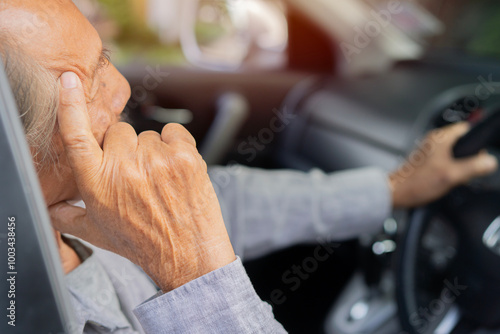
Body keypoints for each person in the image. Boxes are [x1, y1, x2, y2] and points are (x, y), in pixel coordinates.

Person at [0, 0, 497, 333]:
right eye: (84, 82)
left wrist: (394, 188)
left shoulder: (67, 205)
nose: (122, 90)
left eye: (107, 59)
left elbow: (222, 203)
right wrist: (192, 273)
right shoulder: (27, 308)